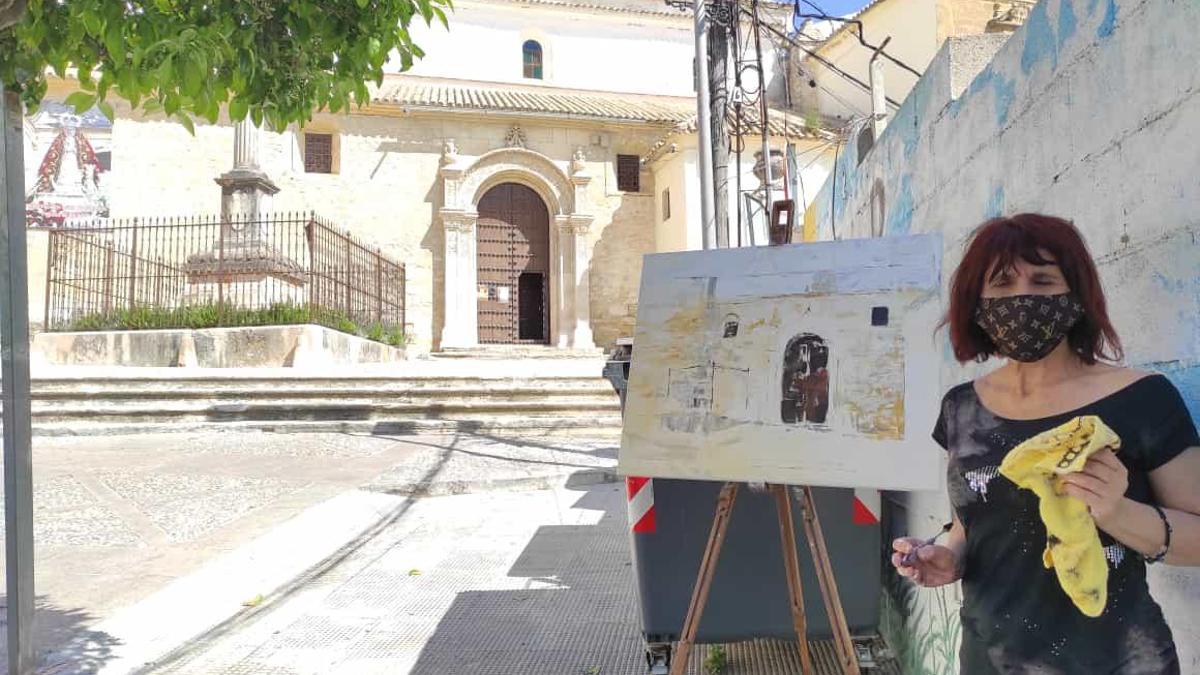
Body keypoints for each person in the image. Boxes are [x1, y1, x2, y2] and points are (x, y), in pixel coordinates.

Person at [890, 214, 1200, 674]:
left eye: (1043, 280)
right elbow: (972, 522)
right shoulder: (961, 408)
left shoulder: (1143, 398)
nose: (1023, 298)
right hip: (989, 660)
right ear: (977, 302)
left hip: (1119, 660)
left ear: (1076, 294)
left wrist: (1116, 511)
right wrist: (948, 557)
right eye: (1001, 283)